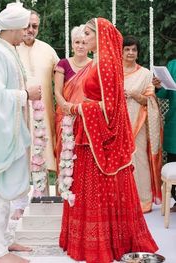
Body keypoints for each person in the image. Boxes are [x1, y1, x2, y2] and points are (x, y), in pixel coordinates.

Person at [59, 17, 158, 263]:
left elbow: (111, 107)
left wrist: (75, 109)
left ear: (100, 37)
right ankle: (90, 239)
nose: (85, 39)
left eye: (88, 35)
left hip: (98, 134)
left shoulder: (104, 64)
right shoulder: (102, 62)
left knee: (97, 186)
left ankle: (100, 244)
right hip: (90, 133)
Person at [0, 2, 41, 263]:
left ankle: (4, 241)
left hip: (12, 130)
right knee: (0, 190)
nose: (26, 32)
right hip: (0, 134)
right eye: (23, 27)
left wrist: (24, 92)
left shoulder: (8, 50)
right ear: (12, 28)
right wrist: (26, 94)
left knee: (10, 190)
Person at [11, 10, 59, 220]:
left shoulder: (48, 51)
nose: (31, 30)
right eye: (28, 25)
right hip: (18, 114)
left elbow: (63, 77)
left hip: (45, 114)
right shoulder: (10, 49)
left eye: (35, 26)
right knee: (19, 158)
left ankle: (43, 198)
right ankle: (19, 204)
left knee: (44, 156)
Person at [123, 35, 162, 213]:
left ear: (138, 53)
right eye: (127, 49)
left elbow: (151, 100)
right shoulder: (113, 72)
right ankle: (122, 201)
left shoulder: (145, 74)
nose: (130, 53)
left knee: (140, 160)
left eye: (134, 49)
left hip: (138, 124)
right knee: (119, 163)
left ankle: (143, 201)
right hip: (117, 125)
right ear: (121, 52)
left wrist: (135, 95)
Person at [54, 24, 92, 172]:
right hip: (65, 117)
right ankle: (63, 193)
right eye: (77, 42)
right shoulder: (63, 64)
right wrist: (67, 109)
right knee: (64, 156)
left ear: (89, 46)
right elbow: (57, 91)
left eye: (84, 42)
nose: (80, 46)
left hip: (86, 117)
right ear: (72, 44)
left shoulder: (94, 65)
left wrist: (82, 110)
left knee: (83, 160)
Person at [153, 58, 176, 211]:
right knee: (174, 160)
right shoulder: (172, 65)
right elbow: (164, 94)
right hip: (174, 123)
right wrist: (159, 86)